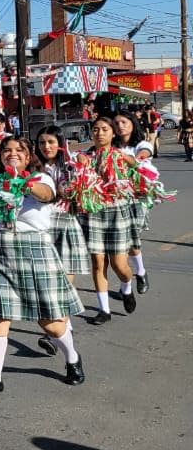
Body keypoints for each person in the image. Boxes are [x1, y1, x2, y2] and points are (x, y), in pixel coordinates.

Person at [0, 136, 85, 398]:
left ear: (28, 155)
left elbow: (47, 194)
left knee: (51, 323)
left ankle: (72, 357)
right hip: (0, 252)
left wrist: (23, 184)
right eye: (6, 150)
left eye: (19, 150)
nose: (12, 154)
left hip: (35, 251)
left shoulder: (39, 178)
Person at [79, 116, 138, 324]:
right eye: (95, 129)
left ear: (113, 133)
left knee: (119, 264)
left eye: (104, 129)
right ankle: (104, 310)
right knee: (98, 261)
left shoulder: (121, 155)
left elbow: (139, 170)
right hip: (93, 212)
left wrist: (127, 160)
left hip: (116, 211)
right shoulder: (85, 156)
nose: (100, 133)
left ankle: (127, 287)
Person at [33, 126, 91, 296]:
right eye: (42, 142)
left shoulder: (70, 164)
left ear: (60, 143)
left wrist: (81, 163)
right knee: (46, 273)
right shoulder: (33, 166)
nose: (46, 146)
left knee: (66, 271)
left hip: (65, 220)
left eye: (51, 142)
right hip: (41, 222)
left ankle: (65, 318)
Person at [114, 111, 154, 294]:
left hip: (135, 199)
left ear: (132, 123)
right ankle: (129, 281)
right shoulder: (111, 146)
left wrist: (118, 157)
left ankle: (138, 273)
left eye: (124, 122)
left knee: (130, 241)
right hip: (113, 200)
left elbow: (141, 159)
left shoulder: (141, 144)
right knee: (119, 245)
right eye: (116, 123)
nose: (120, 125)